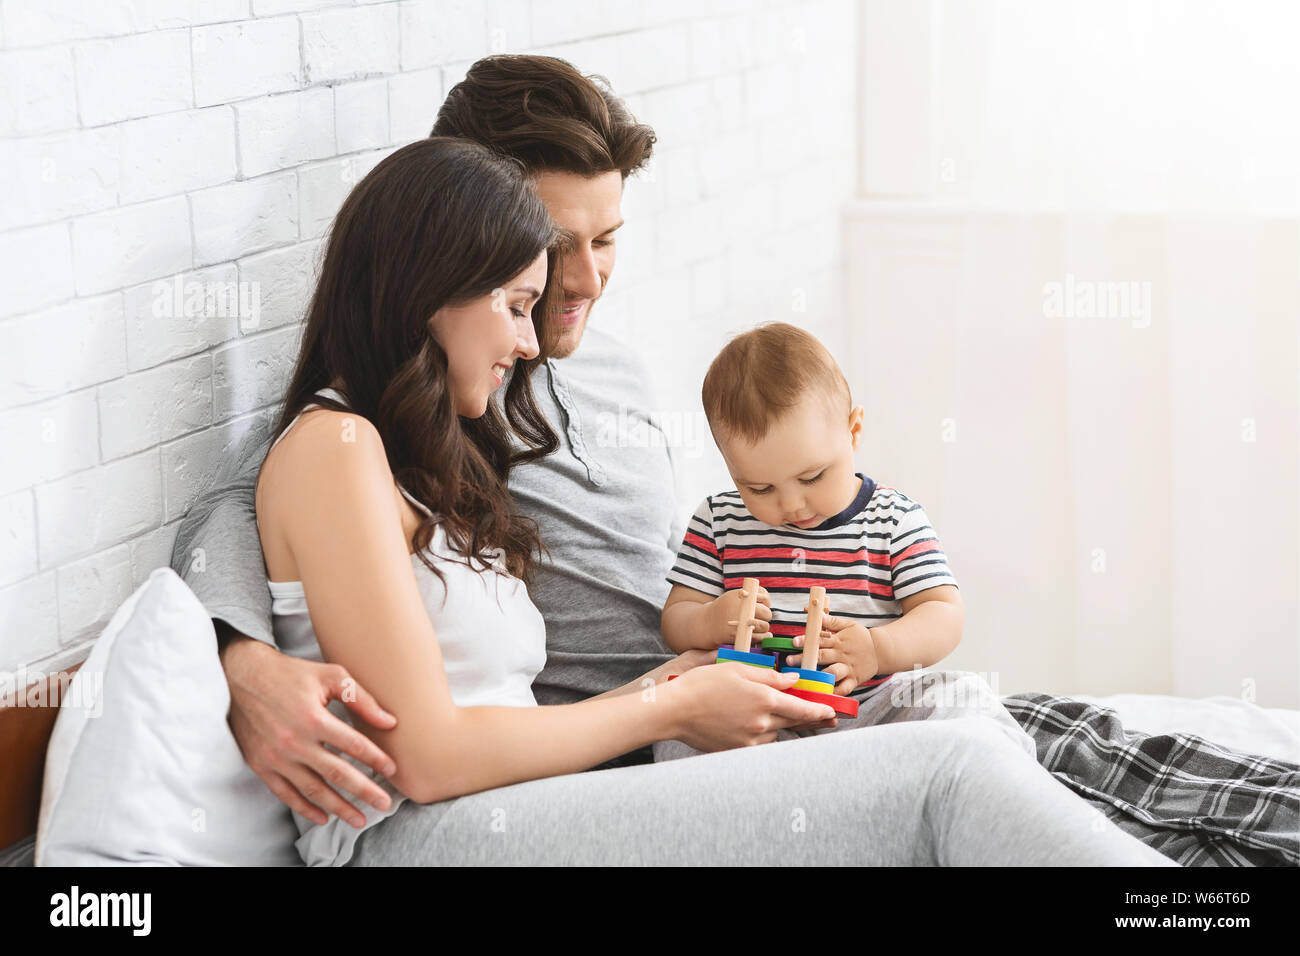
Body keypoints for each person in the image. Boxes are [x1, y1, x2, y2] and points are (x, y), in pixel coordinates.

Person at [171, 55, 1175, 866]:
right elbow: (252, 499)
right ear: (463, 242)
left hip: (681, 719)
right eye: (535, 271)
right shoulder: (376, 433)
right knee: (950, 775)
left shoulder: (573, 386)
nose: (576, 286)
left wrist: (727, 666)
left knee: (977, 736)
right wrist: (237, 653)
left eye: (605, 240)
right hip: (573, 766)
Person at [656, 322, 1036, 762]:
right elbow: (676, 618)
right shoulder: (718, 520)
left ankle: (1006, 776)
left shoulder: (894, 519)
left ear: (853, 432)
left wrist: (878, 649)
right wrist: (705, 622)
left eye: (812, 476)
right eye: (760, 489)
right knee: (673, 730)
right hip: (756, 720)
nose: (793, 504)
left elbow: (944, 614)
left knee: (961, 697)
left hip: (872, 711)